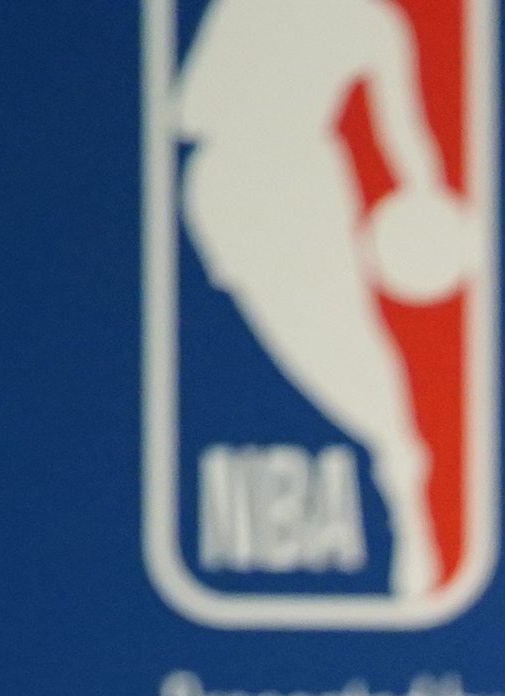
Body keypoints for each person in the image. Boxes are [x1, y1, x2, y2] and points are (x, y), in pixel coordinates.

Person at [173, 0, 460, 599]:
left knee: (344, 348)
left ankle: (405, 488)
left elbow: (403, 131)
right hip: (217, 181)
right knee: (249, 352)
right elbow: (189, 106)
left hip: (297, 180)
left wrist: (429, 208)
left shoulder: (375, 27)